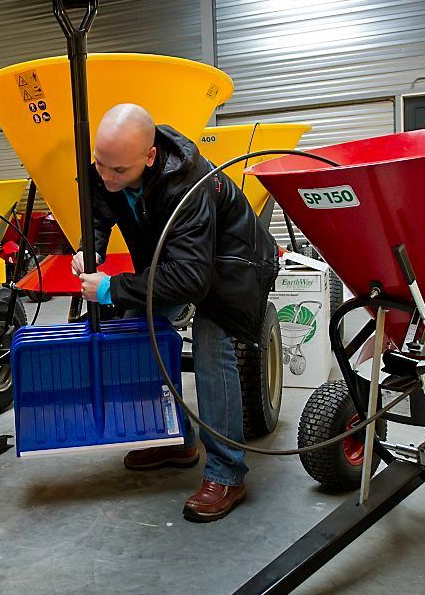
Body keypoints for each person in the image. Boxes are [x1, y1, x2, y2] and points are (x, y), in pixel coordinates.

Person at [72, 103, 279, 522]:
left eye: (119, 172)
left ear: (150, 158)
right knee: (138, 326)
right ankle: (175, 438)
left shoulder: (188, 184)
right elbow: (98, 209)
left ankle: (227, 473)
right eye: (101, 166)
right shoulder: (112, 164)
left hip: (235, 265)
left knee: (210, 340)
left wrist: (114, 286)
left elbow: (190, 281)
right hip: (182, 260)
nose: (107, 179)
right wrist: (88, 247)